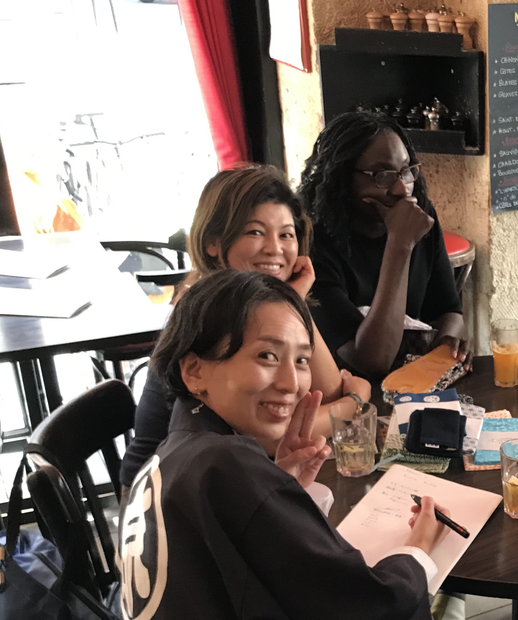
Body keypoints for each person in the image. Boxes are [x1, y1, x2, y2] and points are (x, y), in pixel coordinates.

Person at [117, 270, 449, 619]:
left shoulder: (173, 454)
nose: (292, 384)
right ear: (195, 371)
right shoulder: (225, 462)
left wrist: (279, 489)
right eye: (267, 356)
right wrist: (420, 547)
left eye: (301, 360)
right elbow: (371, 606)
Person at [120, 165, 371, 487]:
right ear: (212, 243)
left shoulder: (257, 306)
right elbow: (272, 435)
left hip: (212, 477)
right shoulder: (208, 311)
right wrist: (355, 402)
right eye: (255, 232)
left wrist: (292, 301)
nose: (274, 248)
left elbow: (324, 394)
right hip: (162, 495)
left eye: (286, 234)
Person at [299, 112, 467, 384]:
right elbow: (371, 362)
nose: (402, 189)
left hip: (411, 384)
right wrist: (400, 244)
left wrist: (445, 345)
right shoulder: (312, 245)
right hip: (343, 392)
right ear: (343, 178)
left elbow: (448, 309)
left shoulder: (419, 217)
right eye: (383, 175)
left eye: (406, 171)